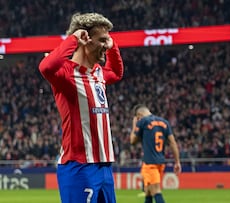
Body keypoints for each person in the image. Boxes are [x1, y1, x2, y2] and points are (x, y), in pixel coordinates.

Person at [39, 12, 124, 203]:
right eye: (102, 40)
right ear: (85, 39)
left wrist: (113, 47)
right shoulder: (66, 74)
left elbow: (116, 73)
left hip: (104, 167)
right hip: (79, 166)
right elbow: (46, 67)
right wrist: (73, 39)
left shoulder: (98, 73)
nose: (106, 44)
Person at [130, 104, 181, 203]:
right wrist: (177, 162)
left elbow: (132, 141)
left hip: (150, 163)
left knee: (156, 191)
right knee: (148, 191)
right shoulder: (164, 122)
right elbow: (172, 143)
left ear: (139, 115)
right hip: (160, 162)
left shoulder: (143, 122)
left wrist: (134, 125)